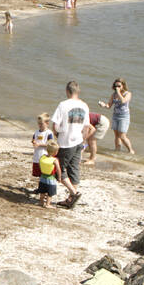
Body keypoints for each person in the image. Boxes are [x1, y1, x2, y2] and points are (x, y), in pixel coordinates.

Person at [51, 80, 91, 208]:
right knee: (74, 170)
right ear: (78, 92)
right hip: (78, 140)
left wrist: (58, 134)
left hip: (65, 142)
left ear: (67, 91)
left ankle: (74, 193)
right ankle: (70, 200)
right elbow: (86, 127)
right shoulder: (84, 105)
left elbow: (55, 125)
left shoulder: (63, 105)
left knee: (59, 171)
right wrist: (83, 142)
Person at [99, 78, 135, 154]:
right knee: (116, 135)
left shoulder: (128, 94)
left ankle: (131, 151)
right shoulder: (114, 94)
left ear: (123, 85)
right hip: (115, 116)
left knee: (122, 136)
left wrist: (118, 92)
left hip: (124, 117)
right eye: (115, 86)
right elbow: (109, 105)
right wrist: (104, 105)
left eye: (119, 86)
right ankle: (117, 151)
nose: (117, 88)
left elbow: (123, 101)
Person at [37, 140, 62, 208]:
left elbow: (39, 164)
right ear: (55, 152)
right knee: (50, 193)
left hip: (42, 177)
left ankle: (41, 202)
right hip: (51, 178)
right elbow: (58, 169)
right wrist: (59, 177)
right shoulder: (55, 160)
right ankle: (48, 204)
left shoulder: (43, 157)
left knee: (42, 191)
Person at [31, 113, 54, 182]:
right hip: (37, 155)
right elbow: (33, 139)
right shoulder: (36, 132)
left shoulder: (49, 133)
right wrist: (34, 142)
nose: (40, 125)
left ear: (47, 123)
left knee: (44, 173)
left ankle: (45, 187)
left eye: (41, 124)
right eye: (39, 124)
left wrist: (39, 144)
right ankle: (40, 187)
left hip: (44, 155)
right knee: (38, 173)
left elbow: (50, 144)